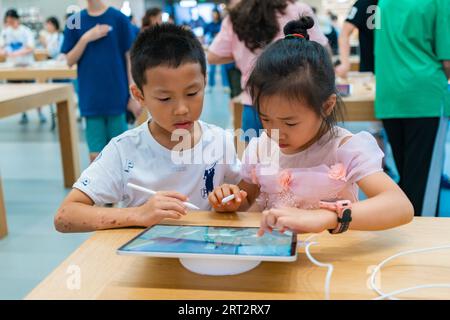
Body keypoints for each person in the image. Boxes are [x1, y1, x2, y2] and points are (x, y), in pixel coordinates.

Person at [208, 18, 413, 235]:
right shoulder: (261, 148)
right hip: (275, 255)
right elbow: (246, 197)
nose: (275, 131)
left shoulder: (344, 149)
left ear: (326, 106)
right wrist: (230, 200)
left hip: (329, 259)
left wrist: (327, 217)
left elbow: (400, 206)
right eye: (265, 119)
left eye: (290, 122)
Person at [54, 24, 241, 233]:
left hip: (204, 258)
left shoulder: (219, 140)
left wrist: (232, 200)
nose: (181, 109)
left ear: (205, 82)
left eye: (192, 93)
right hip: (144, 259)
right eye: (165, 98)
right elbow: (65, 216)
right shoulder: (124, 150)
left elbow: (245, 193)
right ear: (139, 95)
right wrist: (139, 214)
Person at [207, 0, 328, 141]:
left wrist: (240, 53)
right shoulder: (298, 10)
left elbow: (213, 56)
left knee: (254, 159)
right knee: (299, 160)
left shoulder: (236, 16)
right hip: (296, 101)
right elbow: (323, 50)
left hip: (254, 102)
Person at [375, 0, 450, 216]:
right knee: (425, 185)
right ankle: (420, 243)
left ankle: (405, 237)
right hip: (424, 98)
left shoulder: (384, 3)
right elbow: (447, 61)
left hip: (389, 95)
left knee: (408, 178)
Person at [61, 0, 140, 162]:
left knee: (122, 156)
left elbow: (129, 58)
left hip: (117, 98)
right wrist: (86, 38)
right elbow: (69, 60)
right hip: (91, 99)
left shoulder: (118, 18)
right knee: (95, 157)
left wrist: (133, 95)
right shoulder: (74, 21)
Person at [0, 9, 46, 124]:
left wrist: (17, 53)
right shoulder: (5, 32)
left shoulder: (26, 31)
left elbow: (30, 47)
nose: (10, 23)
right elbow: (1, 47)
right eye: (8, 21)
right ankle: (23, 113)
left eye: (11, 21)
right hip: (13, 66)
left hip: (27, 65)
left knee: (32, 90)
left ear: (17, 20)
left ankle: (40, 113)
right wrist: (4, 52)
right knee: (17, 92)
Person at [335, 0, 378, 77]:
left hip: (397, 68)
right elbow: (344, 34)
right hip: (369, 70)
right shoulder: (363, 3)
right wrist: (345, 63)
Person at [204, 9, 230, 92]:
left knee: (223, 68)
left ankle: (225, 86)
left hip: (222, 49)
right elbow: (205, 35)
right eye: (212, 14)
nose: (214, 16)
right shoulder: (209, 25)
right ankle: (211, 85)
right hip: (212, 48)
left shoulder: (222, 24)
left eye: (215, 14)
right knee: (212, 68)